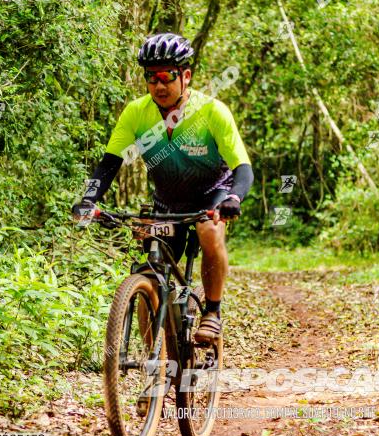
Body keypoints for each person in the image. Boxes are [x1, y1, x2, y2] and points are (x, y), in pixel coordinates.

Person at [72, 32, 253, 343]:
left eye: (167, 77)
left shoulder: (212, 112)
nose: (159, 85)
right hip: (167, 202)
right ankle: (152, 368)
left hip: (212, 194)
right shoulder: (136, 113)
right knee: (149, 276)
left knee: (210, 230)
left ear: (185, 76)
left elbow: (243, 168)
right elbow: (108, 165)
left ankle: (213, 311)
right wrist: (88, 199)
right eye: (151, 78)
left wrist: (234, 198)